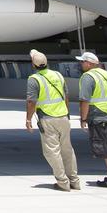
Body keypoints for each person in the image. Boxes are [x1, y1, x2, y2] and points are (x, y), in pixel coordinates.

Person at [25, 49, 79, 191]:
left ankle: (62, 182)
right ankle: (74, 181)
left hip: (48, 118)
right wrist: (66, 113)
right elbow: (66, 96)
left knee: (52, 151)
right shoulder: (58, 75)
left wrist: (28, 119)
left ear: (33, 64)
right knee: (67, 149)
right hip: (63, 117)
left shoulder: (34, 79)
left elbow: (31, 101)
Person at [77, 51, 107, 189]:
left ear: (90, 63)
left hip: (99, 116)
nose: (80, 64)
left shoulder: (88, 77)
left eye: (82, 61)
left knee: (106, 149)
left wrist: (83, 119)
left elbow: (84, 100)